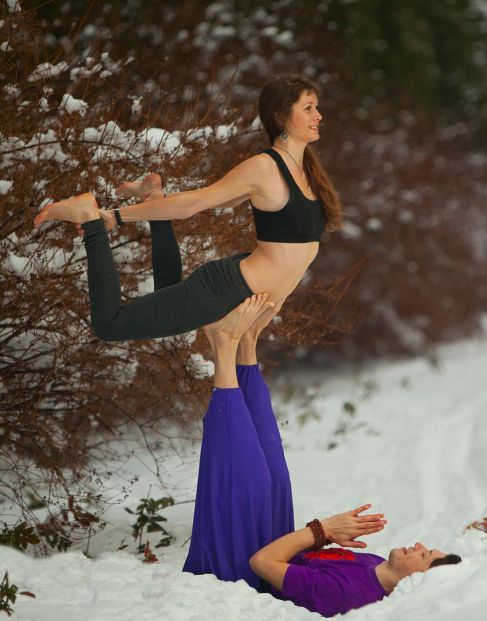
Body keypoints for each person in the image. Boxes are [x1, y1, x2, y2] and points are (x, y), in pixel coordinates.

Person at [185, 299, 462, 617]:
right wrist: (323, 536)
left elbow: (261, 564)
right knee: (274, 474)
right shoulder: (374, 566)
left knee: (253, 483)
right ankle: (246, 343)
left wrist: (324, 531)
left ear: (415, 582)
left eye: (424, 555)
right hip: (272, 540)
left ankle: (223, 343)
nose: (418, 545)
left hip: (240, 571)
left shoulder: (347, 595)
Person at [32, 75, 340, 341]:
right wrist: (115, 217)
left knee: (167, 294)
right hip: (229, 289)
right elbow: (196, 203)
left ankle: (152, 197)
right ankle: (90, 219)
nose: (319, 116)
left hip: (245, 295)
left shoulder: (306, 171)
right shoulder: (264, 168)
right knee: (110, 325)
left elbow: (234, 206)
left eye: (317, 107)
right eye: (309, 108)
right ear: (280, 115)